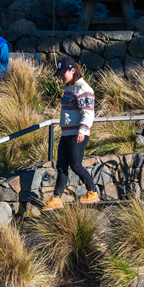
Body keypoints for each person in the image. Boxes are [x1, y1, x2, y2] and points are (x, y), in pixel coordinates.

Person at [42, 57, 99, 210]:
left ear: (72, 71)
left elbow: (88, 113)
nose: (61, 77)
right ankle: (56, 197)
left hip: (78, 133)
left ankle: (92, 191)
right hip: (66, 133)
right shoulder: (69, 87)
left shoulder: (84, 89)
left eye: (63, 73)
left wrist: (83, 130)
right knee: (61, 166)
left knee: (75, 165)